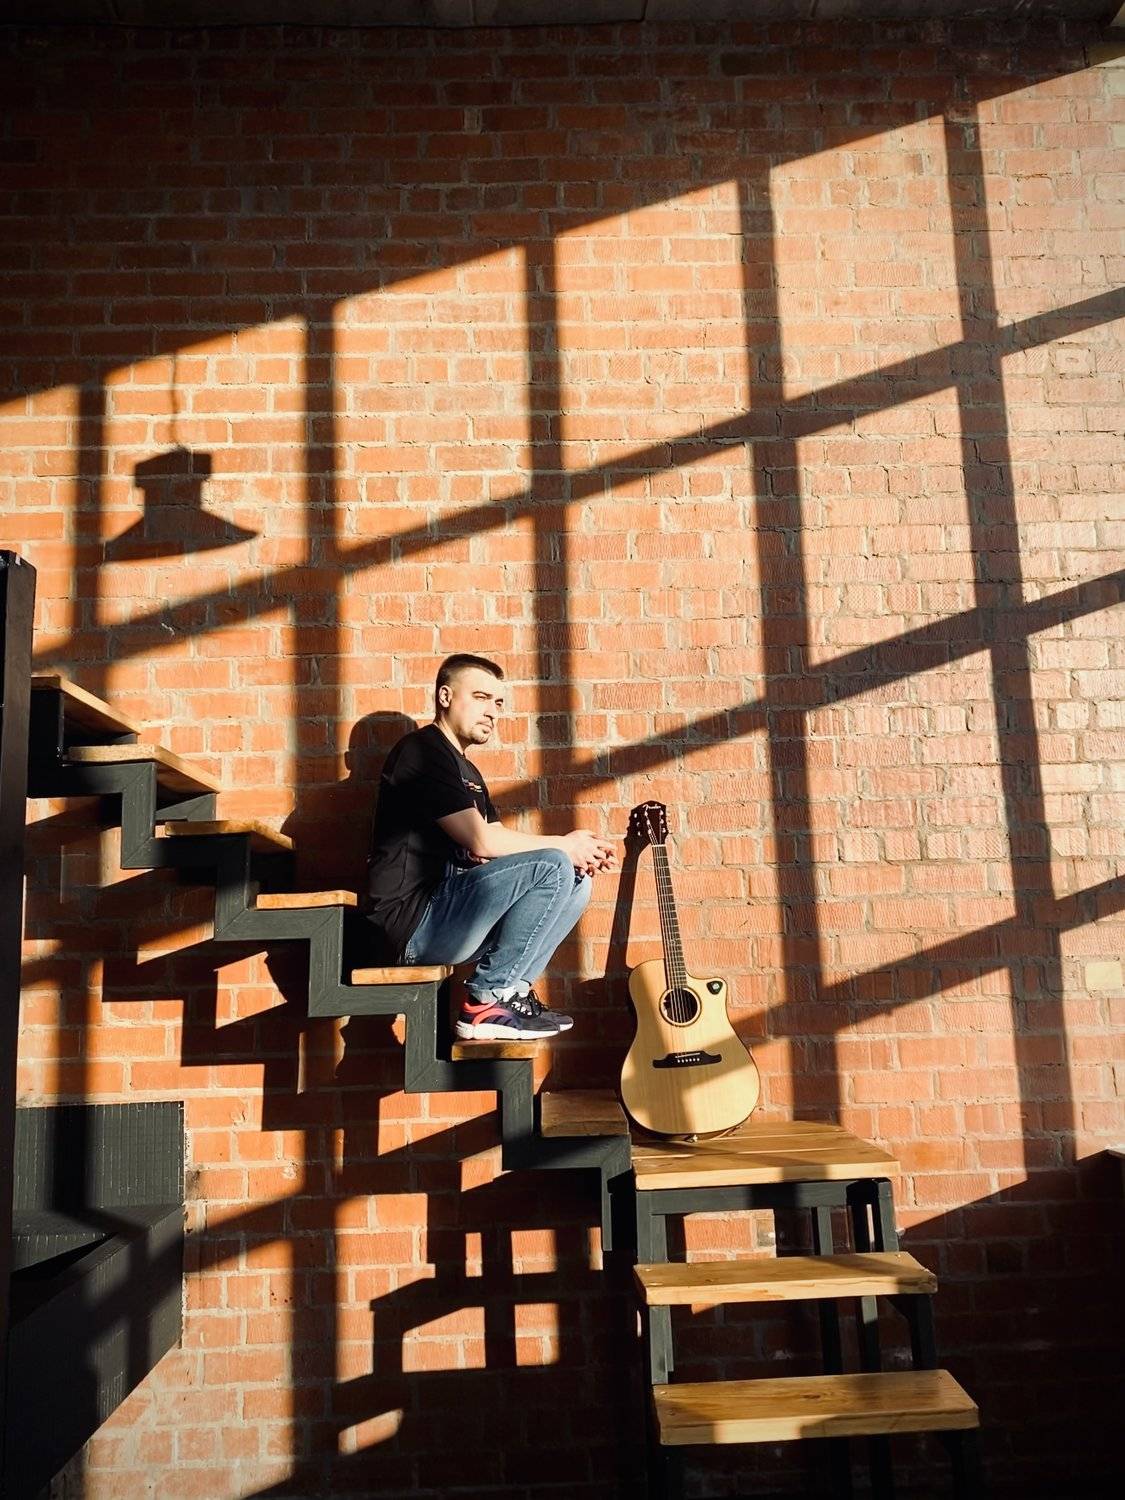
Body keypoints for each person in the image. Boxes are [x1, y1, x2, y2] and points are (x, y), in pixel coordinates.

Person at [366, 654, 618, 1040]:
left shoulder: (467, 770)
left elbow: (493, 845)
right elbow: (481, 839)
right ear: (446, 696)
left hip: (452, 917)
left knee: (575, 879)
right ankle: (487, 998)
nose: (492, 712)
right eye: (481, 697)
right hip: (413, 924)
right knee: (554, 864)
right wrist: (565, 846)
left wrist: (578, 854)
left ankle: (512, 991)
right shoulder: (421, 751)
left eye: (498, 703)